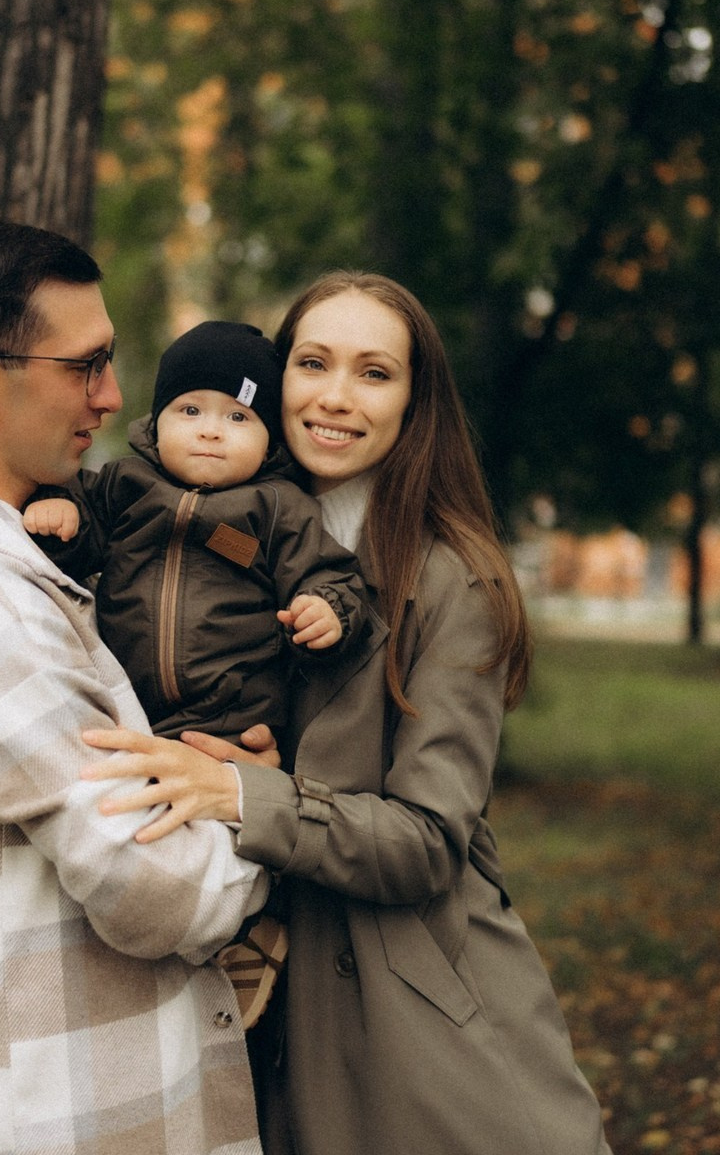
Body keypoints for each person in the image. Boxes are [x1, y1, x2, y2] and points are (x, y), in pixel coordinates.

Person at [78, 271, 614, 1154]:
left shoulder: (454, 581)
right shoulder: (220, 538)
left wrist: (245, 794)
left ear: (415, 402)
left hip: (425, 1033)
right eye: (313, 363)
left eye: (374, 373)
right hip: (267, 1023)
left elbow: (430, 842)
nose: (333, 397)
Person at [0, 218, 273, 1155]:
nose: (115, 396)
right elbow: (155, 885)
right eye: (86, 366)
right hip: (53, 1122)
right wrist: (258, 811)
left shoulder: (6, 554)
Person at [23, 319, 369, 742]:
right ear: (157, 423)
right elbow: (80, 541)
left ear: (268, 442)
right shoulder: (124, 484)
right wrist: (62, 514)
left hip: (230, 723)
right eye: (190, 410)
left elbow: (326, 570)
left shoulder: (278, 507)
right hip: (119, 705)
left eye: (238, 417)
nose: (210, 429)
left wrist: (327, 606)